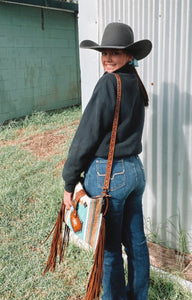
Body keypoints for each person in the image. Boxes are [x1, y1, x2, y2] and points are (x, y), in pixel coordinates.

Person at [62, 22, 152, 300]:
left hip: (112, 176)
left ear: (129, 55)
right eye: (104, 53)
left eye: (116, 52)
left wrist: (69, 181)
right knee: (136, 242)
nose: (108, 58)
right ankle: (138, 296)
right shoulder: (134, 82)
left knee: (110, 247)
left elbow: (86, 136)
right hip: (134, 172)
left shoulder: (109, 83)